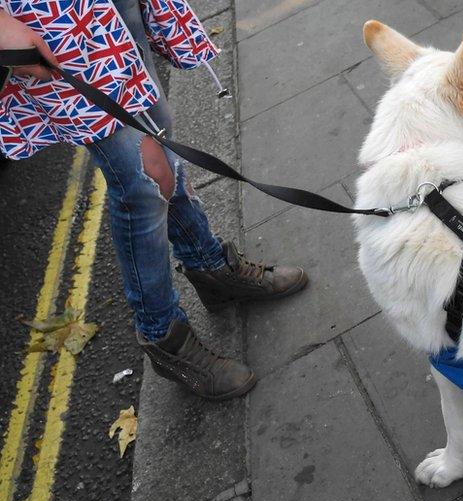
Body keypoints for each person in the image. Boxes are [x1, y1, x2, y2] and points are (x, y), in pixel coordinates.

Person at [0, 0, 307, 400]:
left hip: (107, 13)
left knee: (162, 140)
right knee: (143, 185)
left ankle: (211, 268)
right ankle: (163, 335)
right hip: (58, 27)